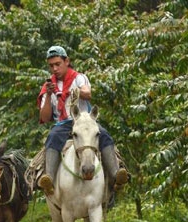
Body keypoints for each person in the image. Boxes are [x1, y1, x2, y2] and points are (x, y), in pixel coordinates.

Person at [36, 45, 128, 199]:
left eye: (58, 64)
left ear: (67, 61)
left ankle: (115, 174)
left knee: (103, 134)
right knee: (52, 137)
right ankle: (49, 179)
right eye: (51, 66)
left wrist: (75, 91)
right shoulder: (48, 86)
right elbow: (45, 117)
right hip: (62, 124)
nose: (54, 69)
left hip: (84, 121)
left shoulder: (79, 78)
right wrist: (49, 93)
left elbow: (87, 93)